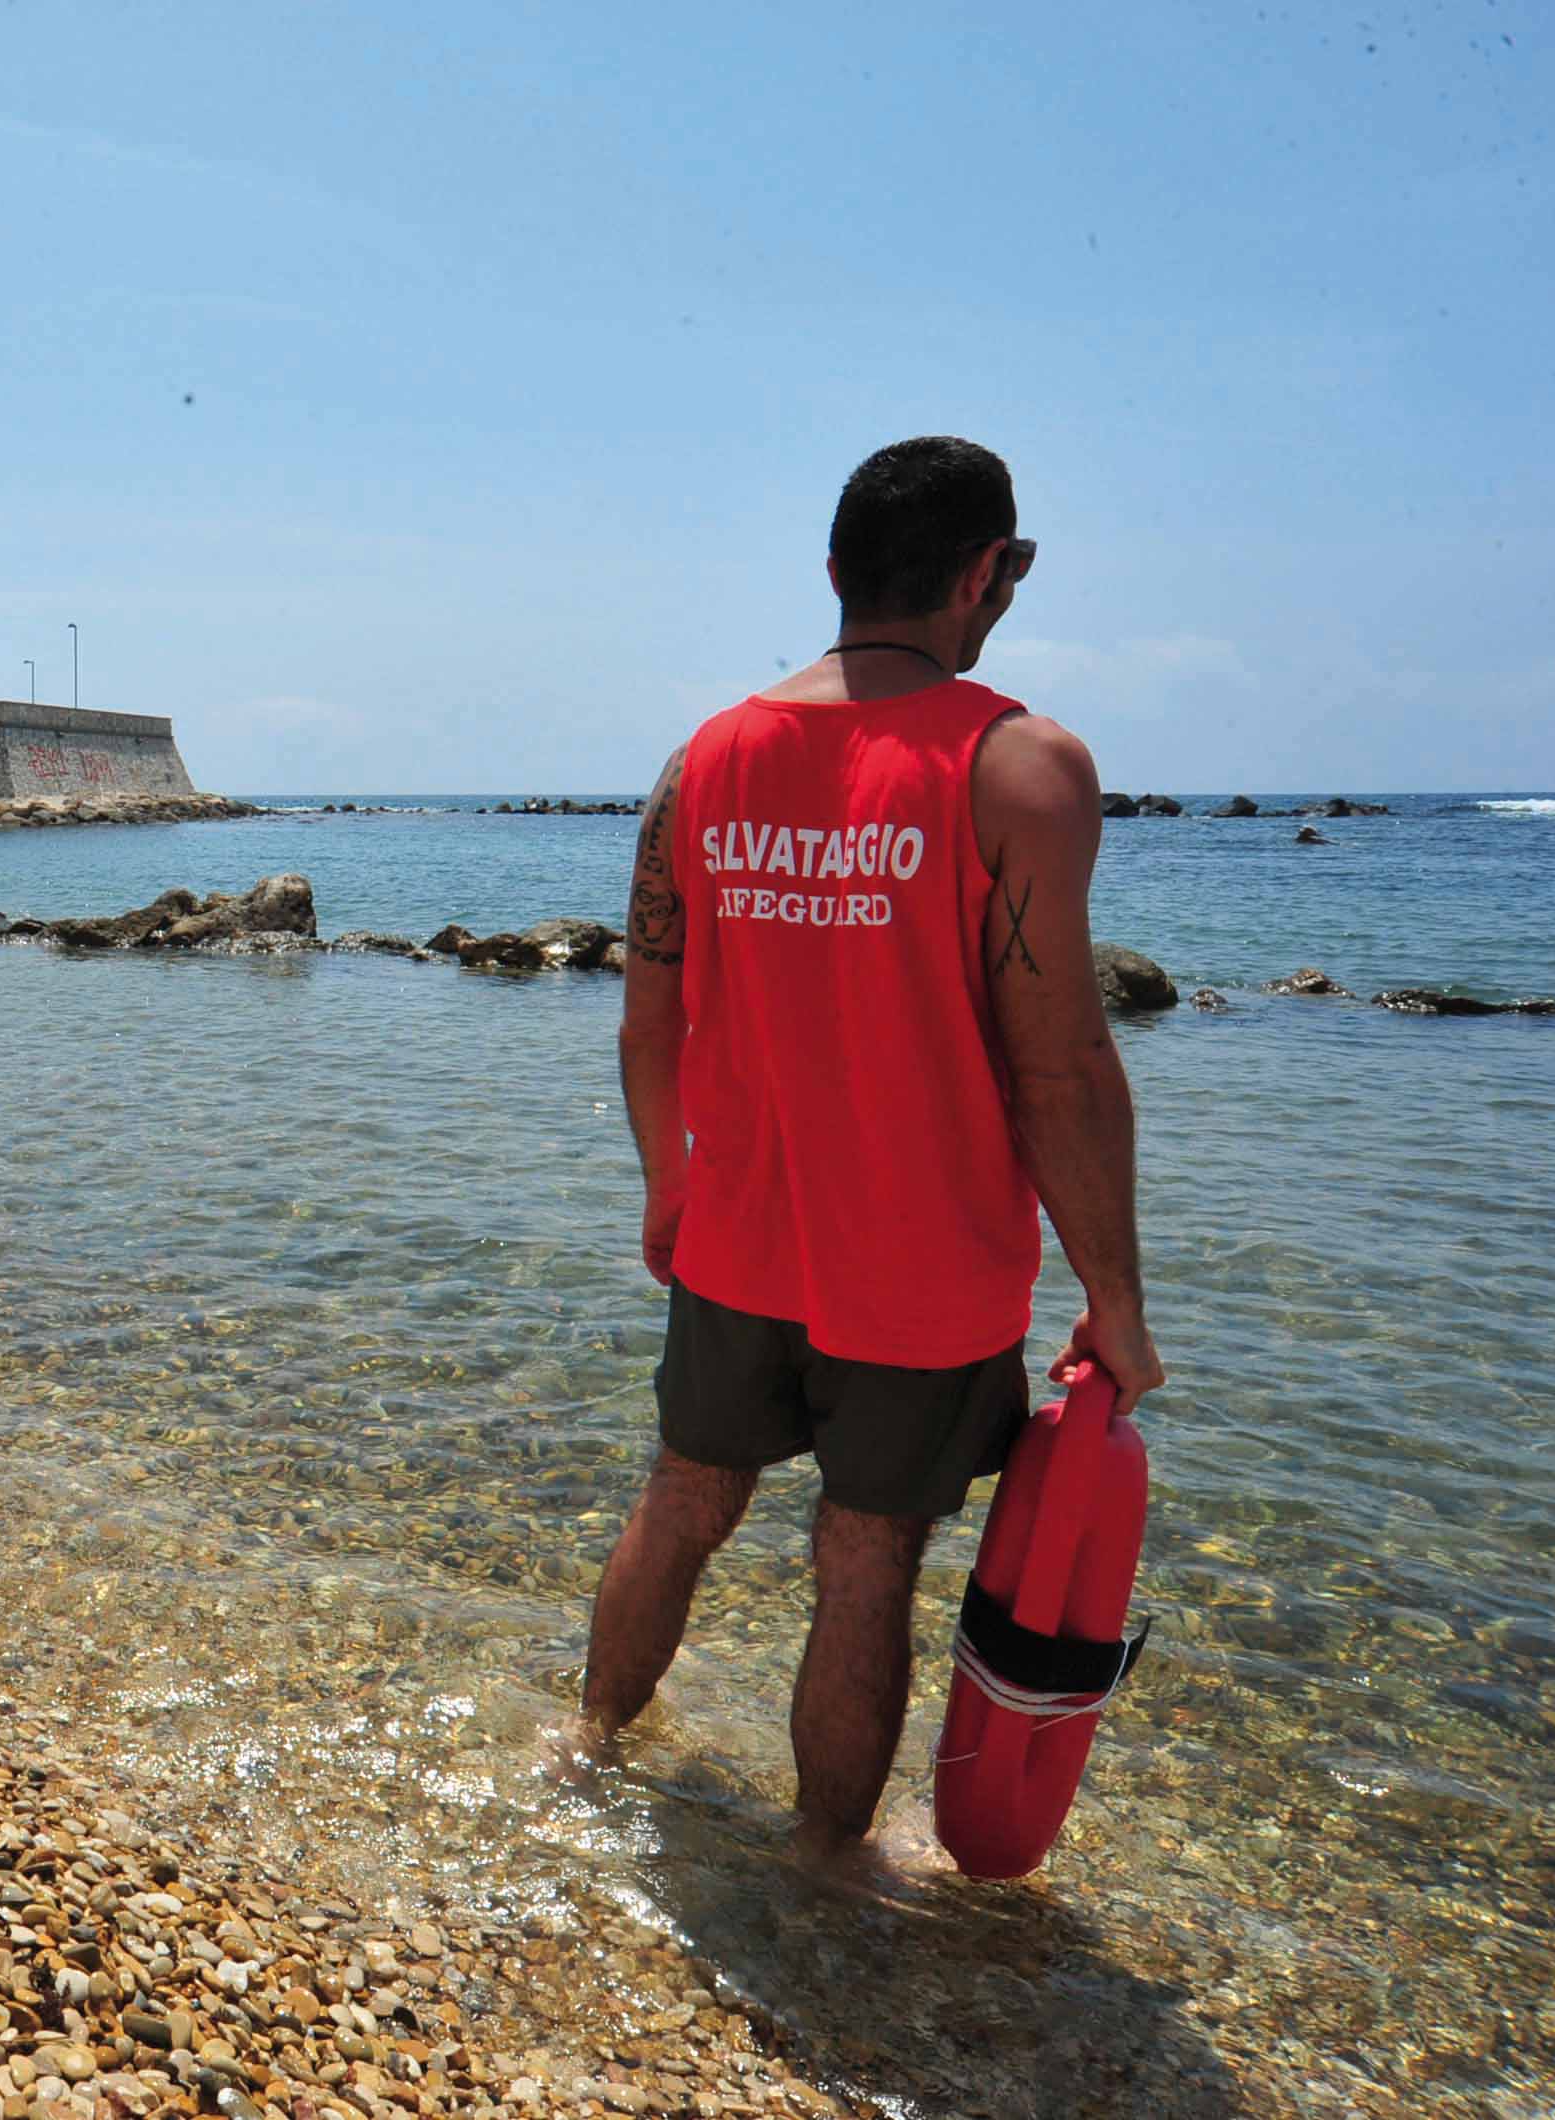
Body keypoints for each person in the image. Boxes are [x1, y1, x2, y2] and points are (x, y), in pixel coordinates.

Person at [579, 436, 1163, 1878]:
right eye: (1007, 572)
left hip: (737, 1234)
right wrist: (1117, 1298)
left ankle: (583, 1751)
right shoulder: (1020, 765)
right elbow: (1063, 1064)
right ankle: (823, 1870)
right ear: (987, 575)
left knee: (683, 1501)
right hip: (927, 1270)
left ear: (835, 573)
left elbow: (651, 1009)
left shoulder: (701, 759)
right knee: (864, 1567)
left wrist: (669, 1183)